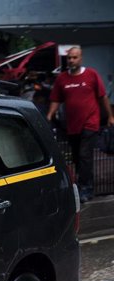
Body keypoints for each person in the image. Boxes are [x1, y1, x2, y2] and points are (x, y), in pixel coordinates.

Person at [46, 46, 114, 202]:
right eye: (69, 58)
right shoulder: (62, 79)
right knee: (77, 157)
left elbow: (102, 97)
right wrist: (49, 116)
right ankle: (83, 184)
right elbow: (56, 99)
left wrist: (110, 116)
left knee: (85, 155)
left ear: (81, 58)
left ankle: (86, 189)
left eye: (75, 57)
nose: (71, 60)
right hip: (72, 126)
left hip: (90, 123)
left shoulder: (91, 75)